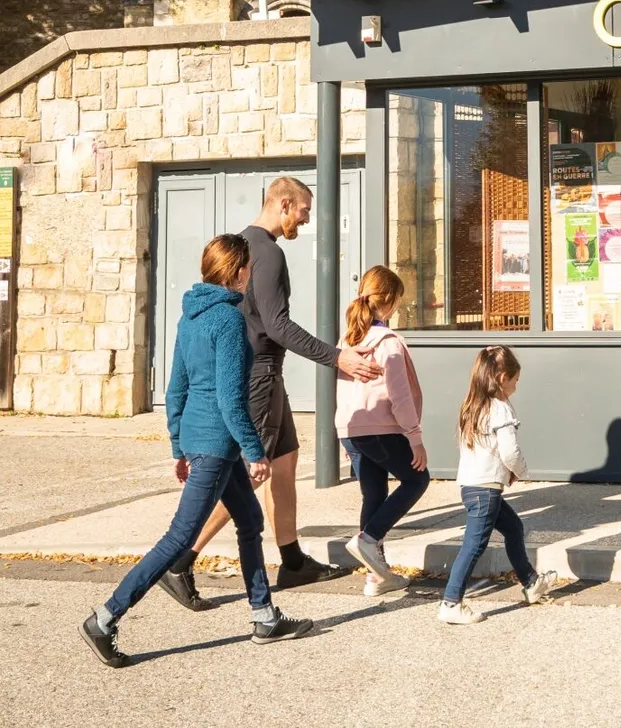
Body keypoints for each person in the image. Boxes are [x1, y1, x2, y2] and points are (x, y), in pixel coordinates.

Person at [80, 235, 312, 668]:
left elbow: (176, 389)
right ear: (238, 272)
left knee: (250, 521)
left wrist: (177, 444)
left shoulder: (190, 316)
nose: (251, 273)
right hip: (218, 445)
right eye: (248, 267)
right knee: (179, 538)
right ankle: (105, 617)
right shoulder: (228, 320)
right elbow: (230, 398)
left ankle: (264, 617)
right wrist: (255, 451)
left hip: (200, 440)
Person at [160, 176, 381, 611]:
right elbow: (277, 326)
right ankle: (180, 562)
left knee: (285, 461)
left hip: (266, 374)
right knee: (246, 475)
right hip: (257, 375)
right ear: (284, 204)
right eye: (304, 210)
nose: (307, 218)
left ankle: (292, 560)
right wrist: (338, 357)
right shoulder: (268, 252)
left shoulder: (247, 245)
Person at [438, 345, 556, 625]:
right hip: (486, 490)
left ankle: (530, 582)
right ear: (503, 378)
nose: (516, 385)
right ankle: (451, 602)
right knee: (473, 546)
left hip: (473, 486)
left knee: (513, 528)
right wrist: (521, 471)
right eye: (515, 380)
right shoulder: (500, 409)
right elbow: (509, 452)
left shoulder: (473, 406)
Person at [336, 266, 430, 596]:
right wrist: (415, 437)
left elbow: (342, 388)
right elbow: (399, 394)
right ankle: (369, 538)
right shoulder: (388, 342)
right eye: (399, 299)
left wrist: (343, 432)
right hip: (381, 428)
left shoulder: (350, 338)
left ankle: (376, 576)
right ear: (389, 300)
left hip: (353, 428)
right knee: (417, 479)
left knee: (374, 494)